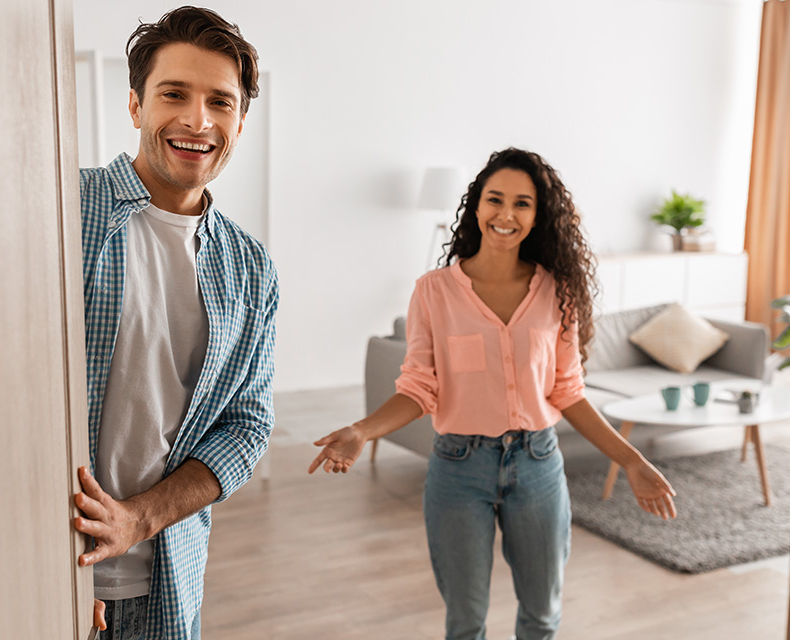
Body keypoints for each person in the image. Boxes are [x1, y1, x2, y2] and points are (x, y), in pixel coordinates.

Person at [309, 148, 676, 640]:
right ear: (476, 207)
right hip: (459, 468)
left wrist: (631, 461)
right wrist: (361, 429)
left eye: (522, 203)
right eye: (495, 200)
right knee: (465, 623)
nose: (506, 214)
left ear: (538, 214)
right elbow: (419, 387)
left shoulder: (558, 291)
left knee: (542, 616)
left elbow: (567, 391)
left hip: (539, 464)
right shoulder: (433, 292)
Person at [72, 7, 277, 639]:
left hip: (166, 578)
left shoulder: (250, 268)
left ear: (240, 121)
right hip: (44, 566)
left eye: (221, 101)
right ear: (135, 105)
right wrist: (63, 575)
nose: (198, 120)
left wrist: (139, 518)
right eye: (174, 94)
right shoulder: (62, 209)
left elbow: (247, 426)